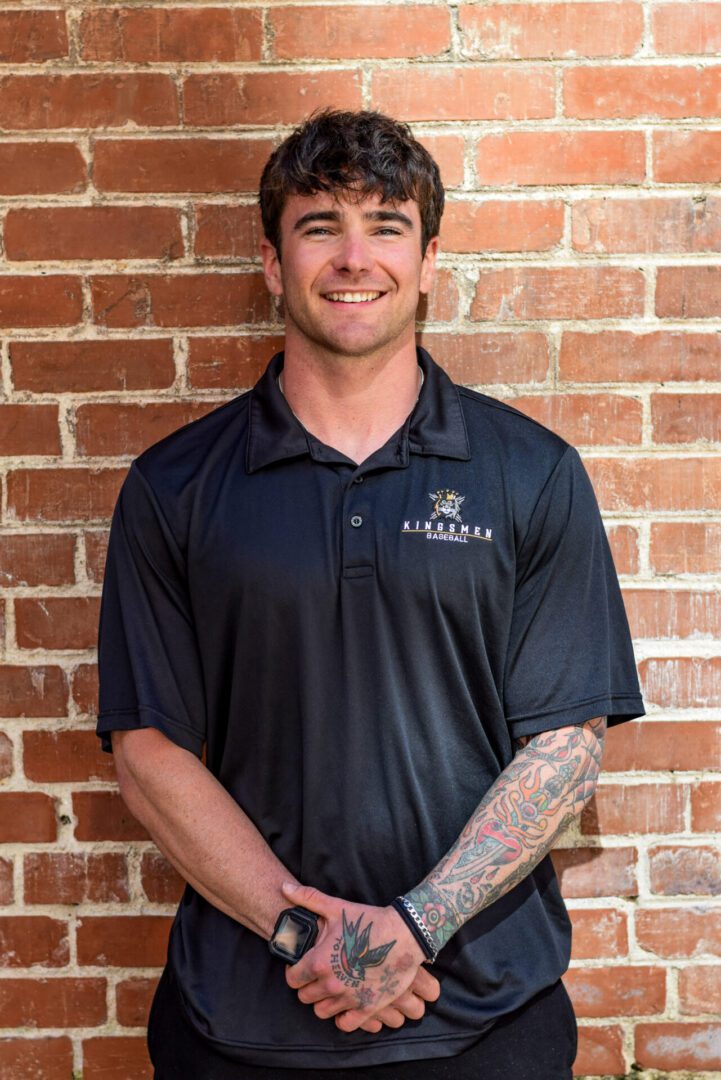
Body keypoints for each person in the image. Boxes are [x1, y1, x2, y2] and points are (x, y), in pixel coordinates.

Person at [95, 109, 645, 1079]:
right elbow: (148, 753)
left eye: (386, 226)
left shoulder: (529, 473)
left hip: (485, 1016)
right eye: (320, 227)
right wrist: (307, 935)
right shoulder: (176, 488)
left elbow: (564, 745)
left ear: (428, 262)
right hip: (242, 1019)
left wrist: (416, 925)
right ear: (272, 264)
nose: (354, 258)